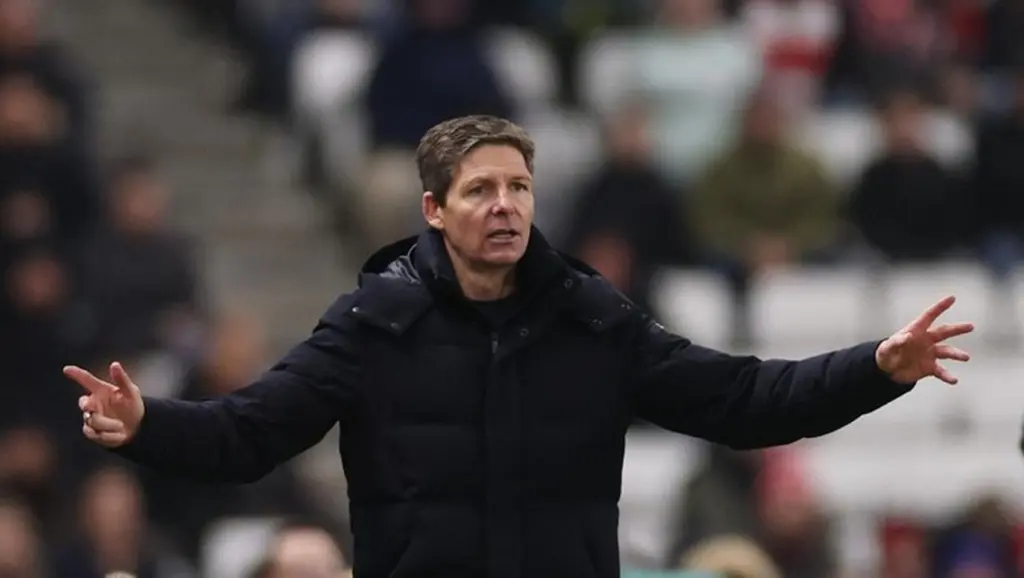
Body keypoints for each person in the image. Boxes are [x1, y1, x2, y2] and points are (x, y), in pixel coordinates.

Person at [64, 115, 974, 578]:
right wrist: (147, 424)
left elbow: (742, 402)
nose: (505, 206)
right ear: (434, 209)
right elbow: (249, 433)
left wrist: (876, 368)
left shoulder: (596, 321)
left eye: (519, 188)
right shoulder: (369, 327)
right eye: (480, 191)